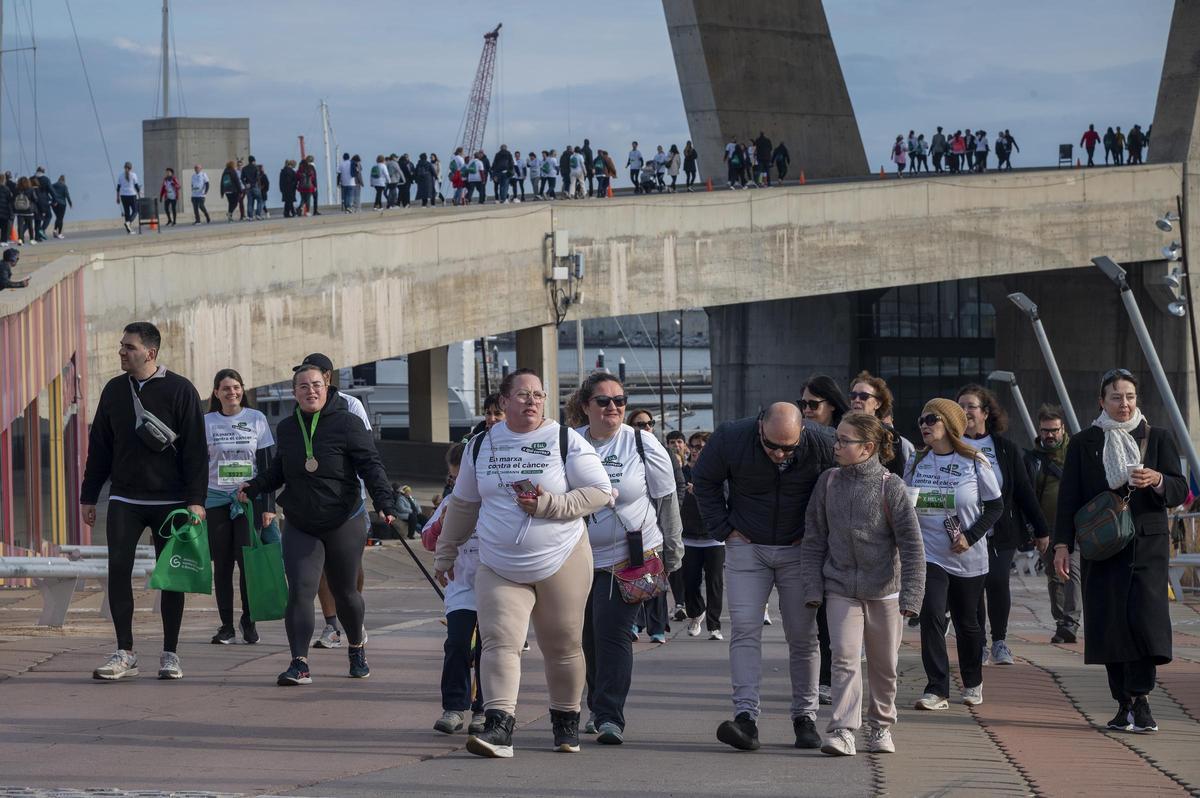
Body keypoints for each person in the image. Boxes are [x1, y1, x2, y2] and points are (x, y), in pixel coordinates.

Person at [433, 369, 612, 758]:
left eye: (538, 394)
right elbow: (463, 505)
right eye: (522, 394)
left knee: (562, 646)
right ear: (503, 402)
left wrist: (550, 504)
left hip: (561, 558)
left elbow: (600, 492)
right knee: (499, 642)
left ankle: (566, 721)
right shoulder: (480, 446)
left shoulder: (564, 440)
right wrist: (446, 551)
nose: (531, 401)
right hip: (498, 562)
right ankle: (499, 727)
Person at [239, 364, 396, 686]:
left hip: (343, 519)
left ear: (327, 385)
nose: (310, 391)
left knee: (345, 592)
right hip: (301, 520)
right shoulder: (287, 428)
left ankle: (356, 647)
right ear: (294, 392)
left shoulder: (348, 424)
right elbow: (280, 470)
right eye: (302, 387)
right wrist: (255, 486)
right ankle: (299, 663)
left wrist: (385, 502)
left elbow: (371, 465)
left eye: (315, 385)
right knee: (300, 590)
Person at [692, 402, 835, 751]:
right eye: (772, 445)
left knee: (803, 636)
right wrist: (724, 528)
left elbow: (842, 486)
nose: (779, 454)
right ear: (759, 427)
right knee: (744, 629)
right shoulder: (731, 436)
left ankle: (805, 717)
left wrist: (818, 533)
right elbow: (704, 480)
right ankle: (746, 718)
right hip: (746, 545)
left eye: (789, 447)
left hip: (799, 548)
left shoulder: (823, 442)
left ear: (804, 432)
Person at [1053, 369, 1186, 733]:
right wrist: (1062, 545)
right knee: (1110, 624)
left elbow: (1179, 488)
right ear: (1101, 401)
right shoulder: (1084, 443)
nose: (1123, 404)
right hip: (1102, 547)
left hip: (1147, 546)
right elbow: (1069, 500)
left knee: (1144, 622)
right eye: (1115, 397)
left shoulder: (1157, 438)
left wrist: (1157, 480)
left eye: (1129, 396)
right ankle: (1122, 703)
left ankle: (1141, 700)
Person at [81, 322, 207, 681]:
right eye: (121, 346)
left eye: (129, 347)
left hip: (172, 500)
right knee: (117, 571)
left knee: (170, 577)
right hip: (124, 497)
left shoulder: (180, 389)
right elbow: (100, 447)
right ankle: (125, 652)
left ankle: (170, 653)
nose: (121, 352)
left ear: (150, 353)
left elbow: (197, 451)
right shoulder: (114, 390)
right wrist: (89, 495)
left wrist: (196, 501)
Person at [801, 413, 925, 756]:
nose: (836, 446)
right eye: (836, 439)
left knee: (885, 664)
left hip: (886, 590)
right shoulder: (827, 482)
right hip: (840, 586)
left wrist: (913, 595)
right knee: (843, 656)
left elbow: (913, 547)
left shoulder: (891, 486)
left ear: (868, 447)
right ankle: (842, 730)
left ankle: (881, 726)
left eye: (844, 441)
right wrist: (812, 588)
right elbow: (813, 539)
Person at [570, 373, 683, 744]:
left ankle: (609, 717)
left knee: (613, 634)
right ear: (586, 406)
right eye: (604, 401)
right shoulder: (568, 444)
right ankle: (596, 702)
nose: (614, 407)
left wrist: (672, 551)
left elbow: (667, 501)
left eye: (620, 400)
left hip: (630, 556)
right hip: (578, 557)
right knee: (585, 638)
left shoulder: (641, 441)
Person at [904, 399, 1003, 711]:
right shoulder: (917, 461)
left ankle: (973, 681)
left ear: (949, 424)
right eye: (921, 418)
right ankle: (937, 688)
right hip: (929, 553)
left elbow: (995, 506)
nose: (924, 424)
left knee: (967, 623)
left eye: (931, 419)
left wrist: (970, 537)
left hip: (968, 557)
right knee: (932, 614)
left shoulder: (975, 461)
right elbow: (905, 504)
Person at [956, 384, 1049, 666]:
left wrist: (1042, 530)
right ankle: (980, 644)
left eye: (971, 406)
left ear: (986, 412)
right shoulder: (950, 445)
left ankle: (999, 641)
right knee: (974, 587)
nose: (965, 412)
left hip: (1000, 529)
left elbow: (1023, 491)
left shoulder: (1006, 449)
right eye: (960, 406)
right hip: (963, 532)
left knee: (996, 581)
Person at [203, 368, 275, 645]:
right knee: (221, 565)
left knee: (248, 564)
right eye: (225, 388)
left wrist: (268, 505)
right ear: (216, 393)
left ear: (242, 389)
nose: (231, 392)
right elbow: (198, 465)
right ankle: (226, 626)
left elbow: (267, 464)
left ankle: (249, 620)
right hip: (216, 500)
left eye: (236, 387)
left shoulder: (257, 419)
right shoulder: (206, 422)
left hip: (249, 500)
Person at [424, 443, 487, 736]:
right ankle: (453, 707)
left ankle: (485, 709)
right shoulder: (450, 502)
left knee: (491, 649)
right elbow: (427, 538)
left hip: (497, 583)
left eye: (461, 478)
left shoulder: (496, 498)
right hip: (460, 586)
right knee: (457, 644)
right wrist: (442, 528)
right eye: (453, 479)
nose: (456, 484)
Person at [1024, 404, 1081, 643]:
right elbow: (1027, 494)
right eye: (1045, 430)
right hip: (1047, 529)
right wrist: (1033, 528)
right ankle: (1061, 619)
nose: (1050, 435)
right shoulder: (1033, 458)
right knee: (1054, 575)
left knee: (1073, 571)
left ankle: (1070, 622)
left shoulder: (1076, 452)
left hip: (1077, 526)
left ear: (1063, 429)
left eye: (1054, 430)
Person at [680, 431, 724, 640]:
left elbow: (725, 495)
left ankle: (714, 626)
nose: (697, 451)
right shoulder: (682, 472)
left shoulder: (718, 471)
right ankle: (696, 613)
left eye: (702, 447)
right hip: (688, 535)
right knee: (689, 581)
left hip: (714, 536)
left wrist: (701, 491)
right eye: (694, 446)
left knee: (715, 581)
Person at [848, 371, 914, 477]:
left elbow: (895, 476)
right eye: (853, 395)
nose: (857, 400)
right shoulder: (842, 429)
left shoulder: (889, 435)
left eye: (864, 396)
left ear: (877, 404)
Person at [116, 162, 141, 234]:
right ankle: (128, 223)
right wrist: (139, 193)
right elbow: (136, 186)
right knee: (135, 211)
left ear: (124, 167)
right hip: (132, 195)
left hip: (123, 196)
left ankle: (129, 230)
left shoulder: (120, 176)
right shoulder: (133, 175)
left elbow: (118, 188)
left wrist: (117, 198)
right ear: (131, 168)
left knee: (127, 212)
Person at [14, 177, 37, 245]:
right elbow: (35, 199)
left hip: (19, 210)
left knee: (20, 226)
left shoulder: (17, 190)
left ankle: (20, 239)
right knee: (30, 225)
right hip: (28, 210)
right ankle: (31, 239)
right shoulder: (30, 189)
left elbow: (13, 199)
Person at [241, 156, 262, 221]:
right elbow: (257, 178)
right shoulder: (256, 168)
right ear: (253, 161)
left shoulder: (244, 168)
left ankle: (250, 217)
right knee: (259, 200)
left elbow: (241, 178)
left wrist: (245, 184)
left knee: (250, 202)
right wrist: (255, 185)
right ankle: (258, 215)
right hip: (255, 186)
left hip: (248, 188)